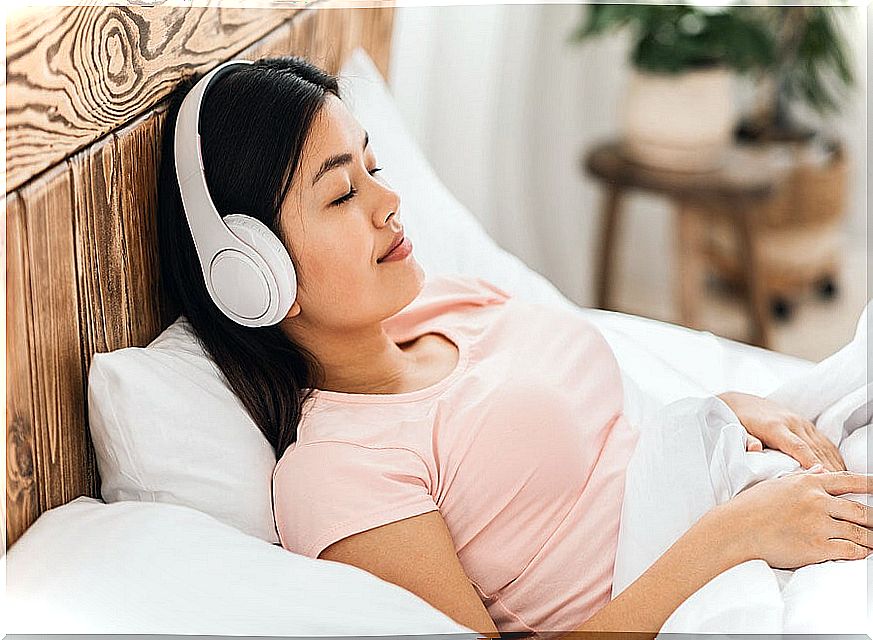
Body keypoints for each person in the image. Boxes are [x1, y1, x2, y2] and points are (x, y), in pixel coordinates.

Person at [156, 56, 872, 639]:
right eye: (342, 195)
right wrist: (732, 538)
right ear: (252, 275)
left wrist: (725, 408)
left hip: (744, 492)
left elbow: (614, 444)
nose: (387, 203)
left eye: (373, 169)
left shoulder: (446, 299)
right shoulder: (340, 472)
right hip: (718, 574)